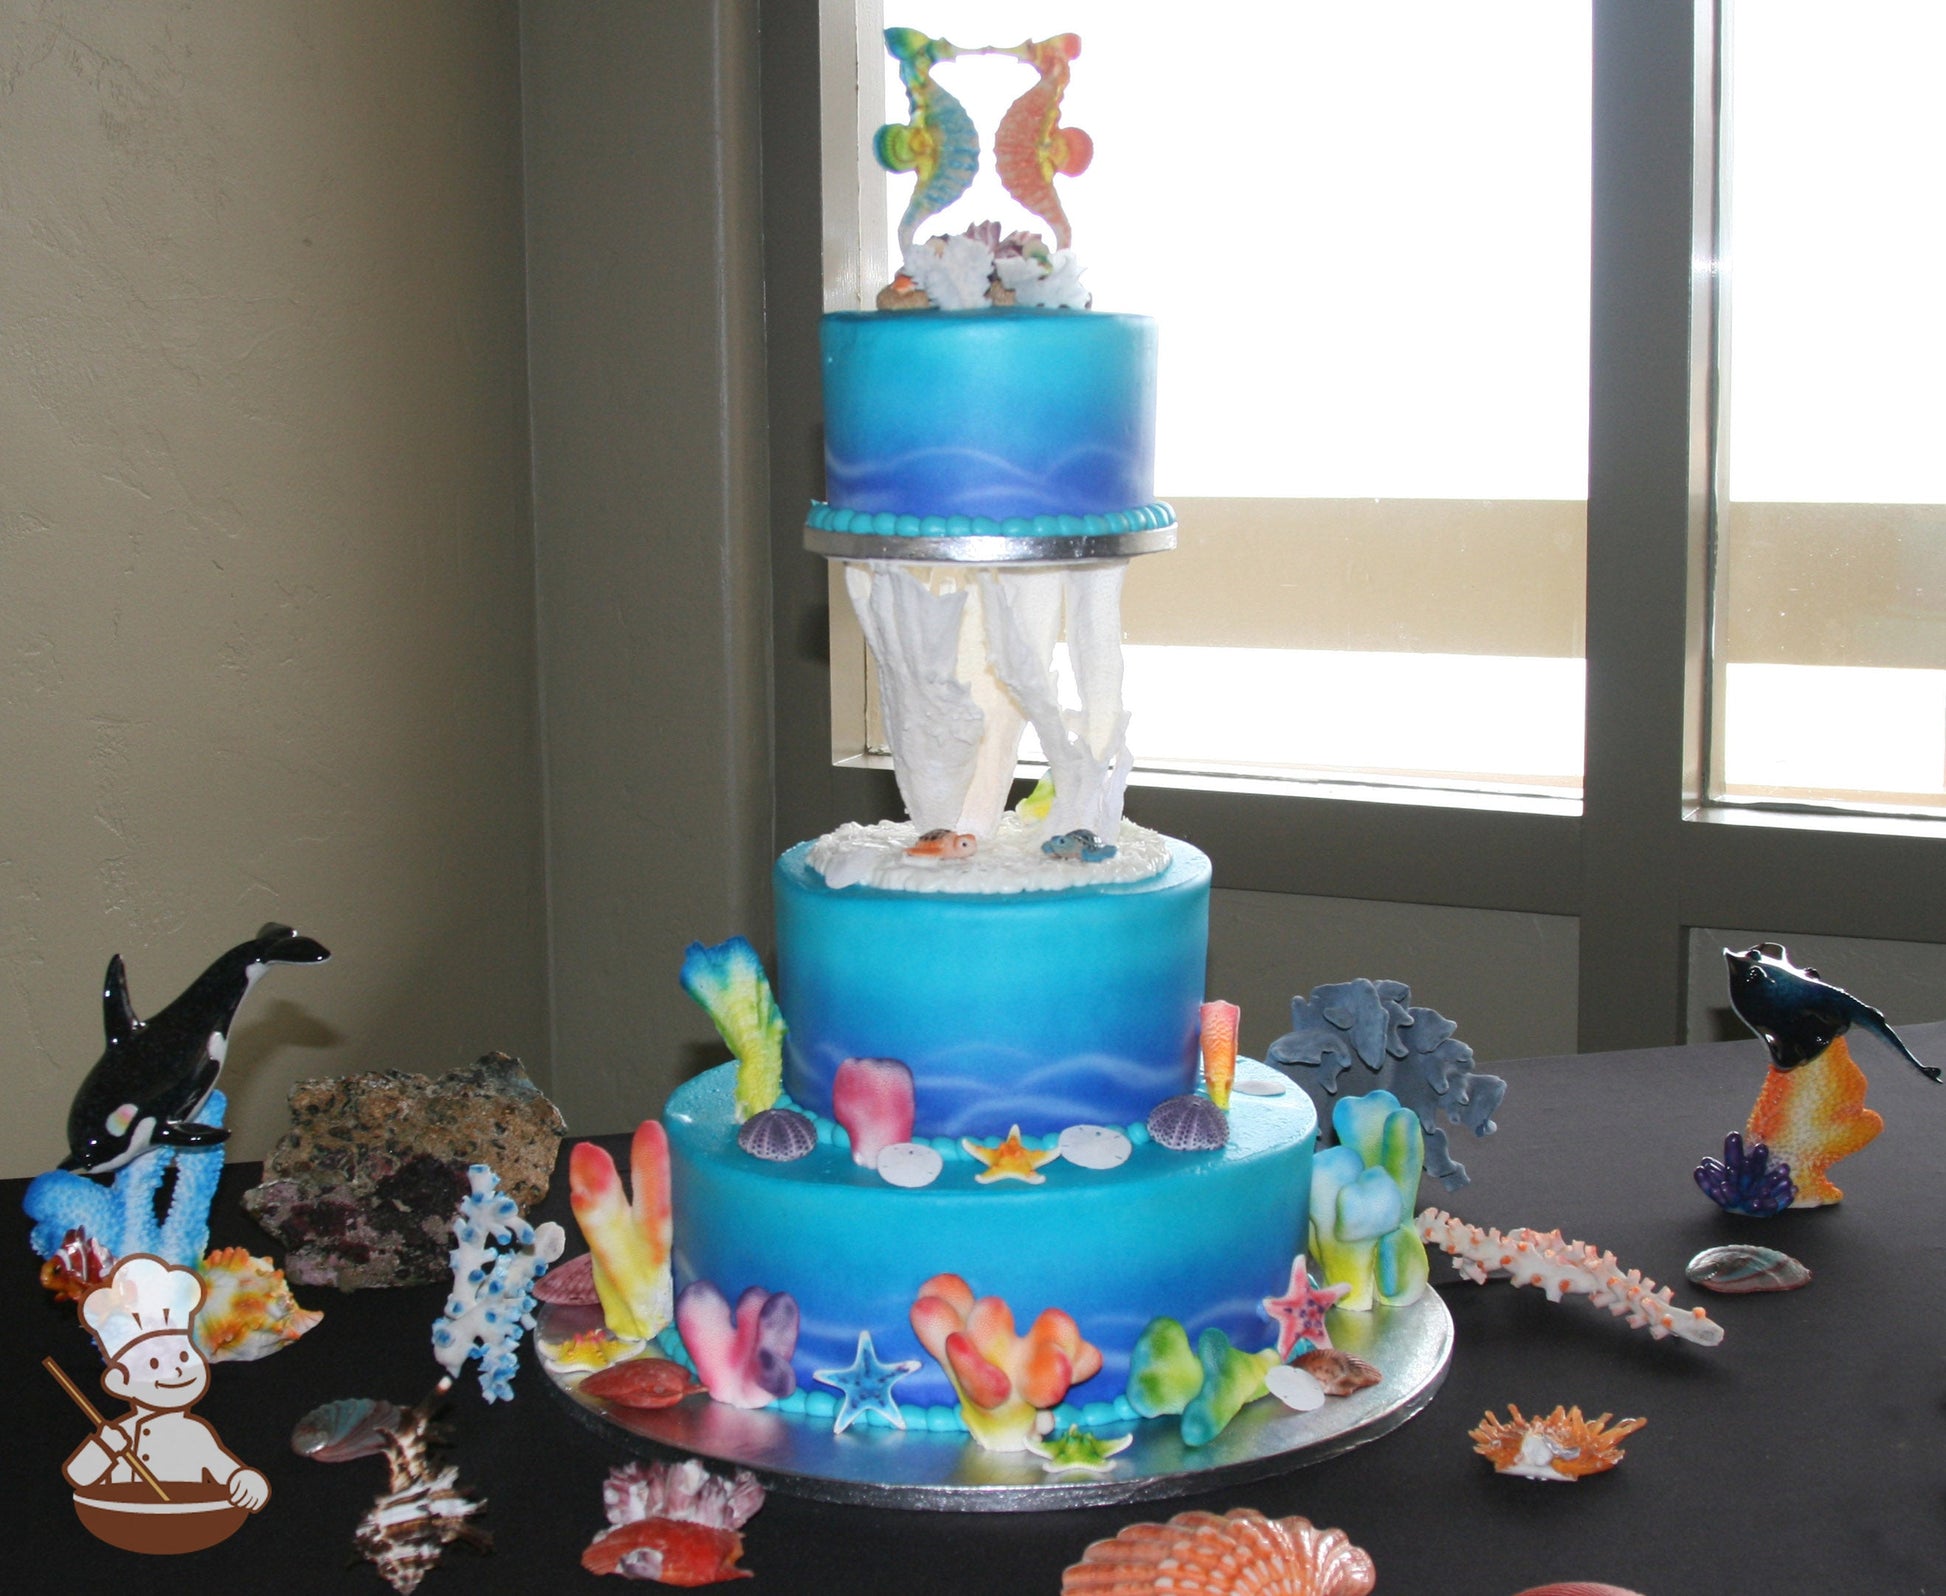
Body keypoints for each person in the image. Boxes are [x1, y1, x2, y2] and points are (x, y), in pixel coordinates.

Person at [63, 1254, 270, 1510]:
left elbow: (228, 1473)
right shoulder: (121, 1434)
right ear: (121, 1382)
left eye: (183, 1355)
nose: (176, 1371)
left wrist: (247, 1481)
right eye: (153, 1364)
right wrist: (105, 1448)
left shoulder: (196, 1434)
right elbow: (79, 1476)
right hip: (123, 1520)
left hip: (186, 1520)